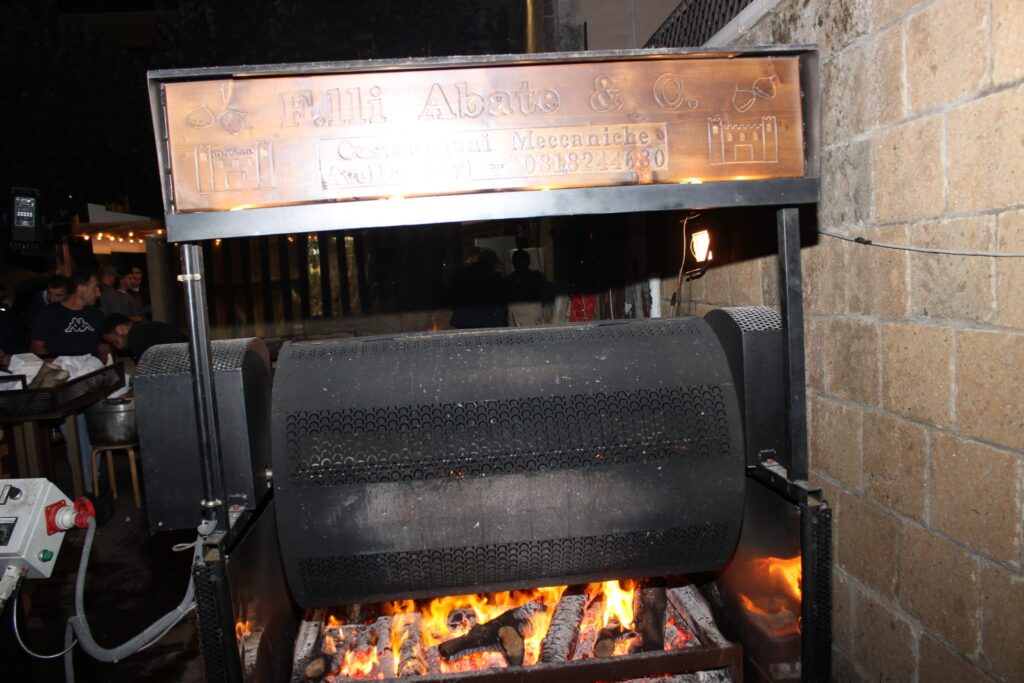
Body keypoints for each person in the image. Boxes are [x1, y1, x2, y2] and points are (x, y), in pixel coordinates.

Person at [30, 270, 108, 359]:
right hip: (61, 369)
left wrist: (105, 358)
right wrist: (57, 366)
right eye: (95, 288)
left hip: (90, 368)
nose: (98, 293)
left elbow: (103, 344)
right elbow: (36, 346)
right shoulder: (49, 313)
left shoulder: (97, 315)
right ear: (80, 288)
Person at [448, 248, 508, 329]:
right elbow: (500, 302)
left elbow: (451, 296)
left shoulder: (459, 274)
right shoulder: (494, 276)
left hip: (462, 320)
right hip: (486, 322)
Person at [102, 313, 186, 362]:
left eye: (115, 342)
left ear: (121, 329)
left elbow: (147, 372)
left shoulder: (136, 336)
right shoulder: (143, 328)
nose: (118, 347)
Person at [505, 249, 549, 326]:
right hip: (535, 318)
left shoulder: (508, 280)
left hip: (517, 321)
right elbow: (546, 296)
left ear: (513, 263)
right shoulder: (537, 276)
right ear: (529, 261)